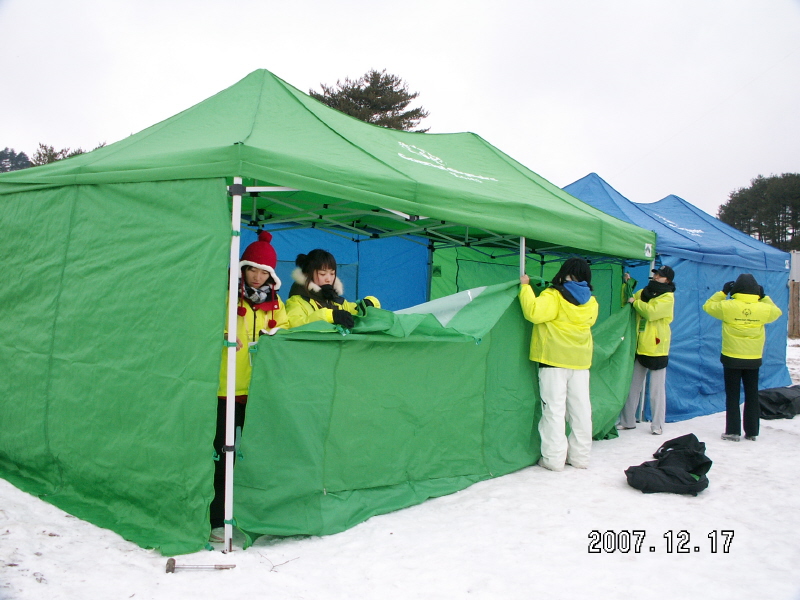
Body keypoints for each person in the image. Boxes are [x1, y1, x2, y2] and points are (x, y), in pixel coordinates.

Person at [211, 230, 289, 532]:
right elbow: (208, 324)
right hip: (226, 389)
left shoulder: (276, 302)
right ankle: (217, 520)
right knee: (222, 457)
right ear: (243, 268)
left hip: (260, 390)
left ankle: (254, 516)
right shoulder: (227, 296)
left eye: (264, 271)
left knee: (257, 457)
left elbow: (284, 330)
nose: (257, 276)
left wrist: (276, 338)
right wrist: (225, 336)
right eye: (252, 269)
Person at [519, 257, 599, 471]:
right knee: (581, 411)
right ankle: (580, 457)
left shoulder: (554, 295)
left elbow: (533, 313)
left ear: (564, 272)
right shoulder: (591, 301)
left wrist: (525, 288)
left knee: (554, 410)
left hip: (553, 361)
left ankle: (553, 460)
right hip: (581, 362)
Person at [703, 273, 782, 442]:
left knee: (733, 395)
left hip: (731, 357)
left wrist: (723, 293)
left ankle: (733, 431)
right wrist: (764, 297)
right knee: (752, 394)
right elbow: (777, 312)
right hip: (753, 358)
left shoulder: (728, 306)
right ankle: (752, 431)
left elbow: (708, 306)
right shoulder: (764, 308)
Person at [617, 265, 676, 435]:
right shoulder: (644, 291)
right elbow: (628, 298)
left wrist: (636, 303)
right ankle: (627, 421)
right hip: (640, 344)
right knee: (633, 386)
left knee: (656, 391)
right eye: (656, 273)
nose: (656, 276)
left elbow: (651, 312)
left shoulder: (668, 297)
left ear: (668, 280)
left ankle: (657, 425)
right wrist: (627, 283)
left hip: (657, 348)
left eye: (661, 275)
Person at [286, 249, 380, 329]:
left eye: (332, 274)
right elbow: (293, 324)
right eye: (322, 274)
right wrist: (329, 316)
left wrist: (368, 303)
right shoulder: (297, 301)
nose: (328, 279)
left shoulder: (335, 299)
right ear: (308, 274)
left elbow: (354, 310)